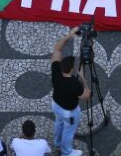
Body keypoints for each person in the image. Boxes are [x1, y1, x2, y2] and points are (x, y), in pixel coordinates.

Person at [50, 26, 89, 156]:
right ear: (72, 69)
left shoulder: (55, 69)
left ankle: (57, 143)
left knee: (59, 123)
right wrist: (83, 78)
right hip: (69, 112)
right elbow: (87, 96)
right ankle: (66, 152)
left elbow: (57, 49)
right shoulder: (74, 83)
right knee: (68, 131)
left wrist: (69, 36)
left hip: (56, 105)